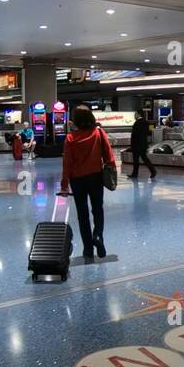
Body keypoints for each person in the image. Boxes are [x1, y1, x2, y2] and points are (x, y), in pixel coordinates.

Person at [60, 105, 115, 259]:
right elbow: (109, 156)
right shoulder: (98, 133)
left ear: (75, 120)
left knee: (82, 214)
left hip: (77, 180)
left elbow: (67, 163)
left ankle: (88, 249)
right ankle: (98, 235)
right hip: (95, 177)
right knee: (98, 209)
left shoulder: (70, 138)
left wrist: (64, 184)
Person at [128, 110, 157, 180]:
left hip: (137, 145)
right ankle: (153, 171)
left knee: (136, 160)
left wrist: (132, 145)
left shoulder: (137, 123)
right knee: (144, 159)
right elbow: (149, 132)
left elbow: (134, 135)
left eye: (135, 114)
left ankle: (135, 174)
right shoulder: (145, 122)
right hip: (143, 144)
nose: (134, 115)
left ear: (138, 114)